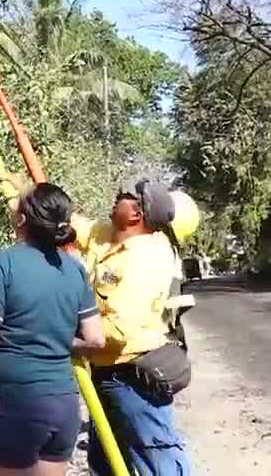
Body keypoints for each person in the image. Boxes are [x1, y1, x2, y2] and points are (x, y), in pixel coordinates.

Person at [0, 183, 105, 476]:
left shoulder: (2, 264)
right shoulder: (74, 270)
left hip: (15, 406)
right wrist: (56, 338)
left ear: (22, 220)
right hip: (63, 405)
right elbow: (96, 339)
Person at [71, 180, 192, 476]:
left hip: (131, 378)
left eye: (124, 197)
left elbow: (118, 328)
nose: (116, 198)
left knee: (156, 462)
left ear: (137, 213)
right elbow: (73, 224)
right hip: (103, 372)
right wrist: (25, 194)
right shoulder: (108, 237)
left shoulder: (147, 257)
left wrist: (69, 337)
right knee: (107, 464)